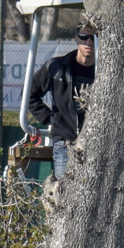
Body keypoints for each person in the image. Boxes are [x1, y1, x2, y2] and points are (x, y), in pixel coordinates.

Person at [26, 23, 95, 181]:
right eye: (84, 37)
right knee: (64, 190)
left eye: (93, 38)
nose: (88, 42)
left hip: (95, 143)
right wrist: (51, 120)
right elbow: (29, 95)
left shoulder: (105, 72)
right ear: (76, 39)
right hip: (65, 142)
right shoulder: (56, 67)